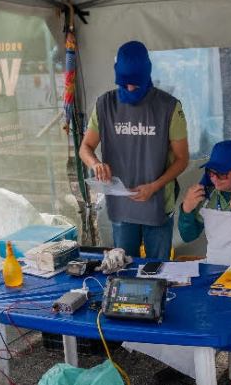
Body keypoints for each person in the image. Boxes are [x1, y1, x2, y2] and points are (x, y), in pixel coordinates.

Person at [79, 40, 189, 260]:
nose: (129, 89)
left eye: (135, 84)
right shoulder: (105, 105)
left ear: (147, 74)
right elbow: (86, 147)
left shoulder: (169, 107)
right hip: (121, 206)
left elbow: (182, 159)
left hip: (157, 204)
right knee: (124, 269)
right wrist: (96, 164)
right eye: (124, 83)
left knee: (158, 272)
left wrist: (155, 186)